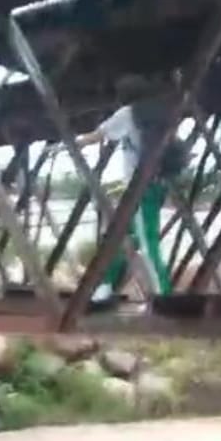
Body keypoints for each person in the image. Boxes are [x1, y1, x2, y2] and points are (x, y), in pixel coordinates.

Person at [74, 76, 188, 302]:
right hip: (157, 185)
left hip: (139, 188)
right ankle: (105, 287)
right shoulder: (159, 113)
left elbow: (99, 135)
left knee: (147, 243)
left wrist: (69, 142)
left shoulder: (129, 113)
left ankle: (164, 296)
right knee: (122, 238)